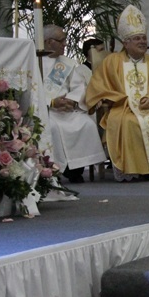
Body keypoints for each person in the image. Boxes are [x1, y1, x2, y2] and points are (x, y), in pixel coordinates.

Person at [85, 5, 149, 181]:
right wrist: (107, 98)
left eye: (144, 38)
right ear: (126, 43)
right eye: (137, 38)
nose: (142, 42)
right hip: (123, 107)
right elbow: (99, 85)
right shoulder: (112, 61)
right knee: (129, 123)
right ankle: (135, 170)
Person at [42, 25, 106, 183]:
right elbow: (31, 90)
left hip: (67, 109)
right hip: (47, 110)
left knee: (86, 124)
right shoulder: (34, 61)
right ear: (49, 42)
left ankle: (76, 170)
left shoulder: (67, 63)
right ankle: (58, 170)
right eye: (61, 41)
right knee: (54, 128)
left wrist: (73, 100)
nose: (65, 44)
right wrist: (51, 102)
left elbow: (79, 86)